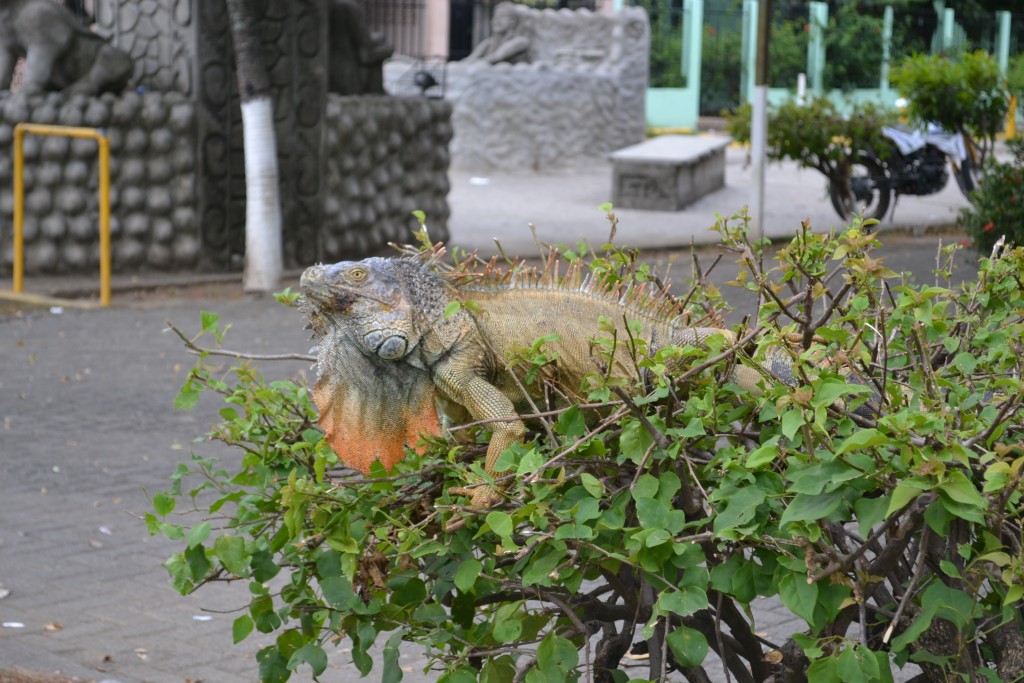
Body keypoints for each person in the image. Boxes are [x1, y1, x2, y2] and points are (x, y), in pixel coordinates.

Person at [464, 3, 530, 65]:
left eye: (502, 16)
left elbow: (497, 57)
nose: (496, 19)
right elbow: (470, 59)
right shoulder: (488, 43)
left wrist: (469, 65)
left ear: (512, 22)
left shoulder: (521, 41)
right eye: (495, 16)